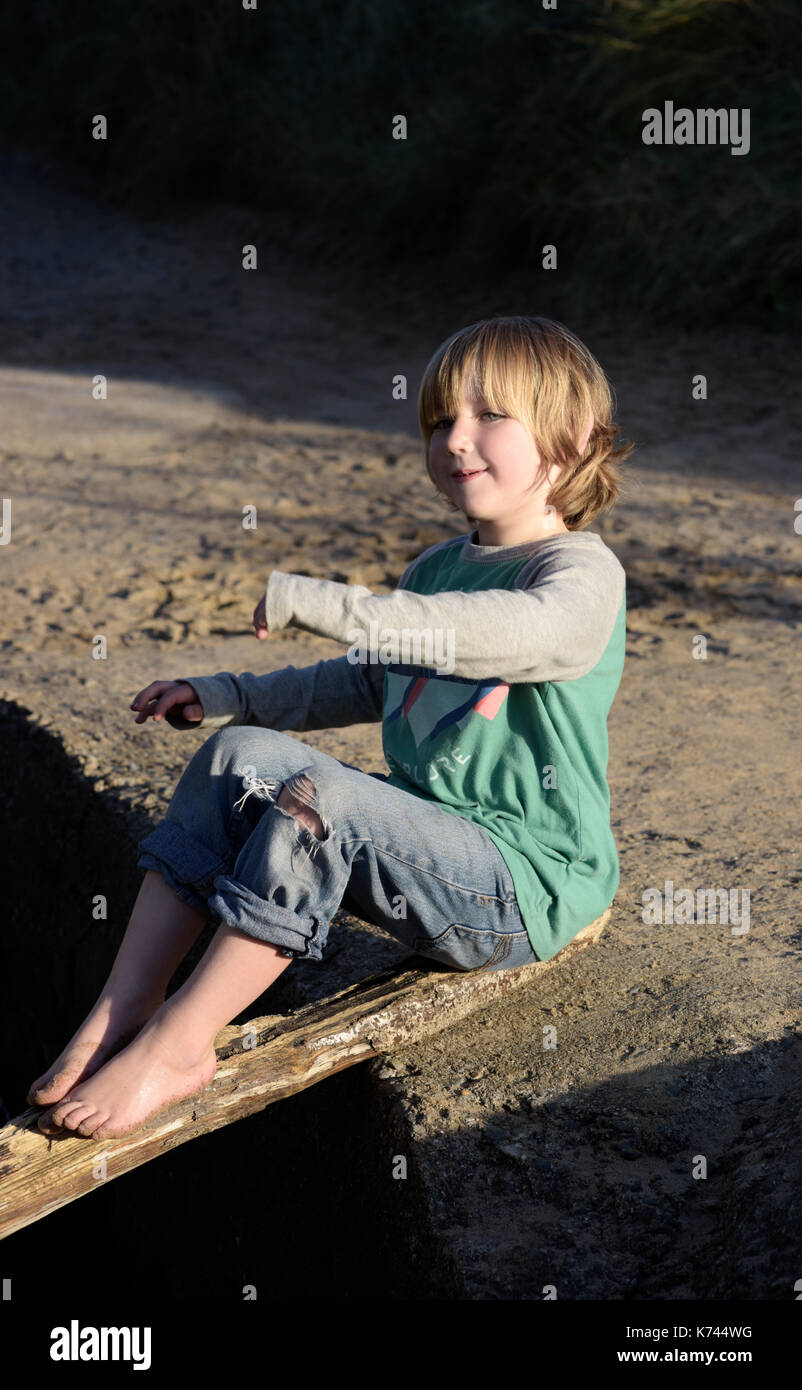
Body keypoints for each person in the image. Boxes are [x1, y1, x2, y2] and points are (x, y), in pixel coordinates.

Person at [27, 314, 634, 1140]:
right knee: (233, 759)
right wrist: (228, 693)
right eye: (439, 421)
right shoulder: (436, 568)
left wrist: (324, 603)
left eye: (490, 416)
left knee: (325, 800)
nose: (456, 438)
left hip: (522, 881)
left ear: (570, 437)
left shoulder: (579, 576)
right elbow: (364, 681)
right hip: (435, 846)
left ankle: (180, 1044)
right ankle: (125, 1006)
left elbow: (484, 634)